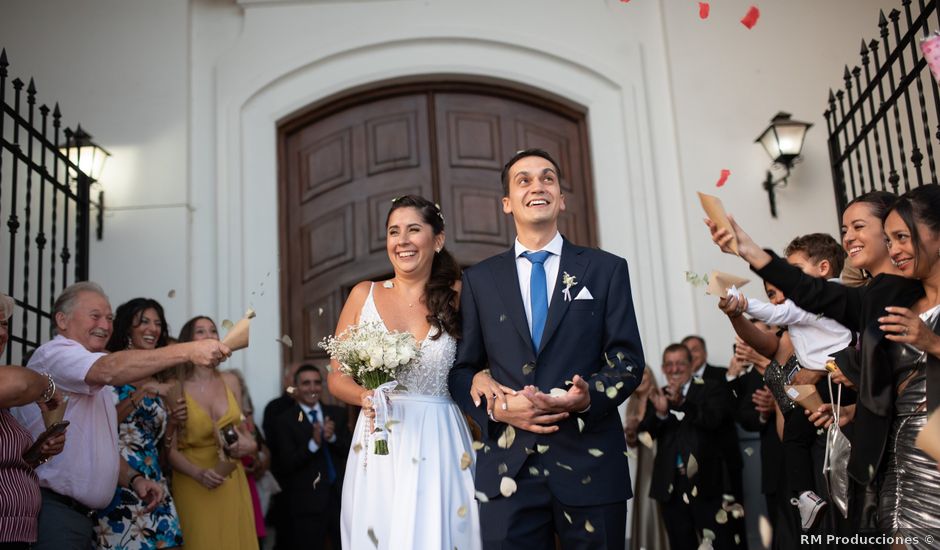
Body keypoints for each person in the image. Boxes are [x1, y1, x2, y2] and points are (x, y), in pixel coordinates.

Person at [707, 184, 940, 541]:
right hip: (893, 458)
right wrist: (748, 251)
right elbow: (814, 294)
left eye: (901, 236)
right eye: (892, 239)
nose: (896, 248)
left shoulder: (901, 292)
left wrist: (931, 342)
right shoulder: (883, 294)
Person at [449, 149, 645, 548]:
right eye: (524, 180)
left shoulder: (606, 269)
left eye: (547, 178)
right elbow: (461, 372)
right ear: (507, 202)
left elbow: (627, 360)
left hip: (591, 462)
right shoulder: (480, 280)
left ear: (561, 197)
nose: (537, 186)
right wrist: (497, 409)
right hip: (509, 469)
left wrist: (588, 397)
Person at [14, 282, 230, 550]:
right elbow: (108, 370)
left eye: (109, 318)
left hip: (84, 516)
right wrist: (189, 350)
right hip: (55, 510)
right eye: (95, 316)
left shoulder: (92, 368)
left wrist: (133, 478)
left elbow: (97, 446)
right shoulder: (55, 354)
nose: (105, 325)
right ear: (62, 320)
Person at [327, 194, 481, 549]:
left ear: (437, 240)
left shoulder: (460, 295)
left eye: (414, 229)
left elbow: (479, 361)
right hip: (379, 436)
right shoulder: (362, 294)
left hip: (440, 436)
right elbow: (336, 376)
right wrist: (364, 395)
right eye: (394, 231)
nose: (403, 240)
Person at [729, 233, 853, 531]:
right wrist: (734, 313)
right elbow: (758, 337)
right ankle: (806, 498)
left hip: (836, 430)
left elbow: (854, 346)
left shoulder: (830, 307)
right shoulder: (785, 336)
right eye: (772, 293)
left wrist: (822, 369)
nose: (780, 296)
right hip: (800, 445)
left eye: (782, 287)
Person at [96, 298, 185, 550]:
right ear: (127, 328)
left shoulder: (161, 378)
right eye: (144, 321)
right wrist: (141, 392)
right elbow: (100, 424)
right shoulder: (109, 368)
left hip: (154, 478)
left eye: (157, 323)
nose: (152, 328)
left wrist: (173, 423)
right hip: (118, 479)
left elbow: (162, 445)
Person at [169, 316, 259, 550]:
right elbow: (169, 449)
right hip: (193, 479)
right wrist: (198, 474)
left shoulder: (231, 381)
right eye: (200, 331)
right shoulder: (175, 387)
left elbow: (244, 433)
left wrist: (249, 446)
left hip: (230, 476)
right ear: (188, 341)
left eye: (213, 330)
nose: (209, 335)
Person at [640, 344, 735, 549]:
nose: (674, 369)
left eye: (680, 363)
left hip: (705, 482)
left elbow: (714, 421)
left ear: (691, 365)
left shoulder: (710, 387)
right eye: (669, 364)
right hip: (670, 485)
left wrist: (683, 402)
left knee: (719, 542)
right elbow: (646, 435)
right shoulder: (658, 394)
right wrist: (661, 414)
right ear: (663, 368)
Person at [0, 293, 66, 550]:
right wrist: (47, 386)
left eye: (4, 324)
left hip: (15, 533)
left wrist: (38, 453)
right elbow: (19, 383)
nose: (2, 333)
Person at [268, 364, 350, 549]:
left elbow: (351, 451)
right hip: (305, 505)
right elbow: (285, 464)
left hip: (338, 499)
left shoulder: (337, 414)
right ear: (296, 388)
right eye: (306, 383)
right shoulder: (285, 420)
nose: (312, 388)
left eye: (316, 383)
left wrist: (333, 437)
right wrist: (313, 444)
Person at [623, 367, 669, 550]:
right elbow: (633, 444)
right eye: (637, 375)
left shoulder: (660, 396)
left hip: (661, 454)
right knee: (645, 502)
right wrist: (630, 433)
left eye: (645, 374)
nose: (641, 379)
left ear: (651, 376)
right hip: (644, 461)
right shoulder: (631, 405)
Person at [226, 368, 271, 548]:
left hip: (251, 478)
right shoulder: (220, 415)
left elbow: (259, 444)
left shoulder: (245, 416)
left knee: (250, 530)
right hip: (231, 476)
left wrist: (260, 459)